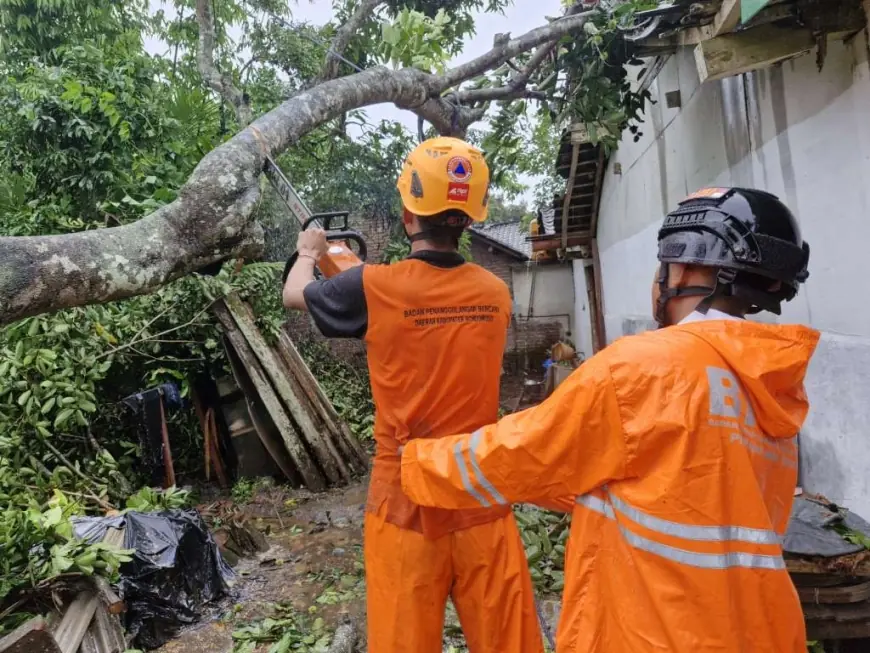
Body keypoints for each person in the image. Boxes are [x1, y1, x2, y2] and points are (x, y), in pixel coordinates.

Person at [400, 187, 820, 653]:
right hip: (759, 633)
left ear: (683, 267)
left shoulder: (644, 368)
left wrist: (417, 462)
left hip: (651, 633)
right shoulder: (770, 386)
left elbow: (526, 451)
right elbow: (662, 492)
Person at [282, 137, 544, 653]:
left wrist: (310, 254)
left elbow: (296, 295)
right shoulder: (496, 293)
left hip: (405, 503)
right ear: (469, 219)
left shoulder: (374, 288)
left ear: (407, 214)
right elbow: (425, 302)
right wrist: (358, 275)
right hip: (480, 495)